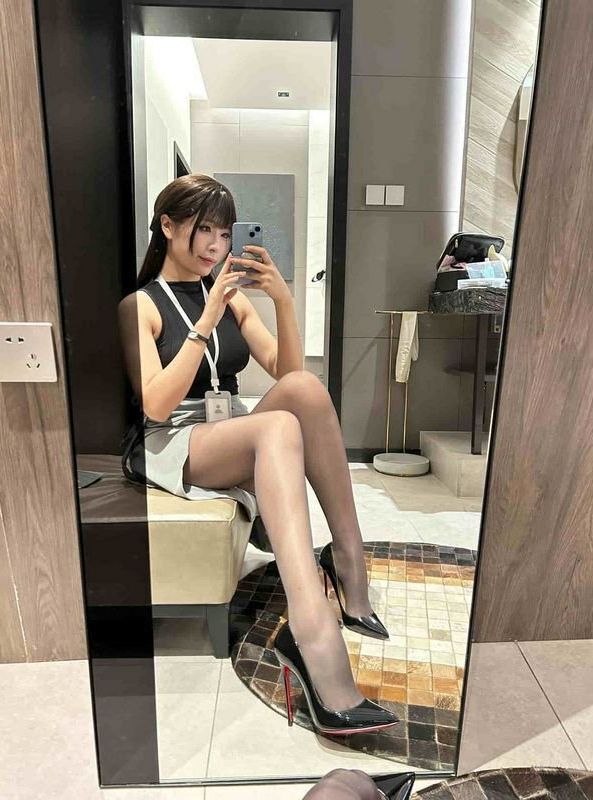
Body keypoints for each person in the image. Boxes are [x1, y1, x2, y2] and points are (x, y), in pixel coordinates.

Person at [118, 174, 396, 734]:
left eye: (225, 233)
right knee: (275, 427)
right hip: (174, 439)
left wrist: (283, 300)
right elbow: (156, 404)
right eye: (204, 230)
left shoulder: (234, 296)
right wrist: (205, 320)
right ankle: (311, 628)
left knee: (306, 391)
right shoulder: (140, 306)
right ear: (167, 226)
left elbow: (288, 376)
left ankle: (348, 560)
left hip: (228, 430)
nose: (216, 245)